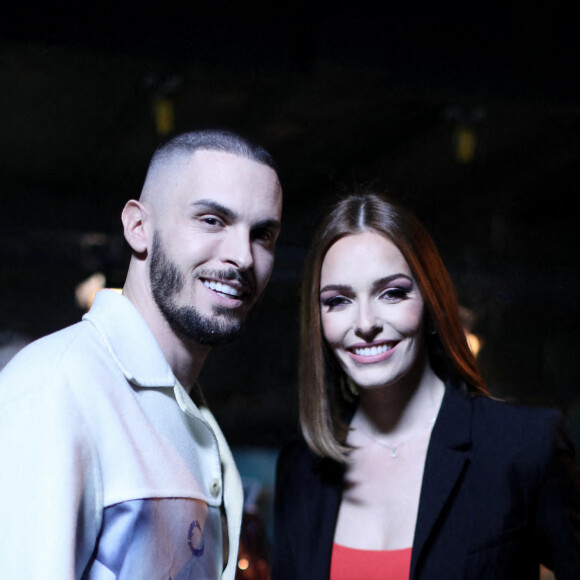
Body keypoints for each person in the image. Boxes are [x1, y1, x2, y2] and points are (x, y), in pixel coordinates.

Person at [0, 129, 283, 579]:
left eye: (262, 234)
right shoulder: (56, 387)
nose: (242, 257)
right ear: (138, 227)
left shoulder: (191, 412)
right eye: (212, 220)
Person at [272, 191, 580, 579]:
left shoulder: (523, 447)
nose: (365, 323)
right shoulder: (300, 471)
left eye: (392, 293)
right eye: (338, 300)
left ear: (431, 304)